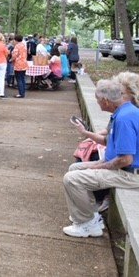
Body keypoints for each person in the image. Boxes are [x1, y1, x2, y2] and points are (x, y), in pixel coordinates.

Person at [63, 79, 139, 237]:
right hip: (120, 166)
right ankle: (90, 215)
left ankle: (86, 223)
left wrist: (99, 167)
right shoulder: (123, 111)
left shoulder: (124, 119)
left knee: (72, 179)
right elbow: (107, 141)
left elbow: (126, 159)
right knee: (75, 168)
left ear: (105, 101)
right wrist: (85, 133)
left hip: (129, 174)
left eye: (97, 100)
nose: (97, 104)